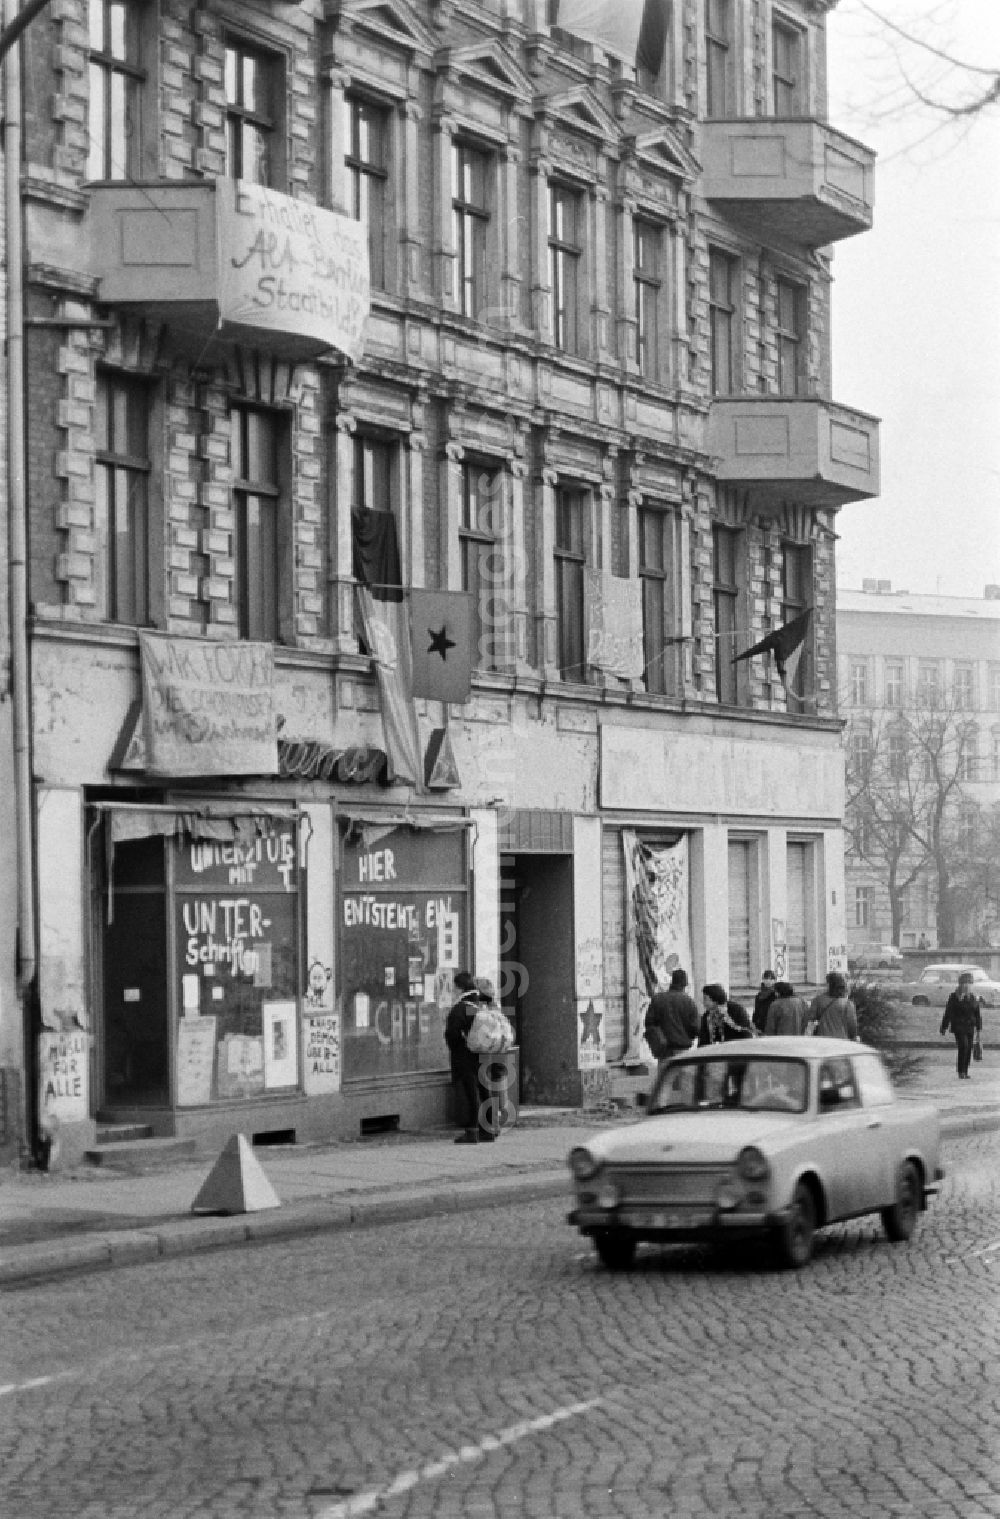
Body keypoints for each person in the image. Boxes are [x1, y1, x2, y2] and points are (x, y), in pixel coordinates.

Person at [444, 970, 495, 1143]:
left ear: (459, 989)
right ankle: (489, 1130)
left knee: (470, 1092)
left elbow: (451, 1034)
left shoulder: (460, 1009)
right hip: (481, 1054)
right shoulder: (479, 1005)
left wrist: (456, 1047)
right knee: (484, 1090)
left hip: (464, 1056)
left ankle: (472, 1131)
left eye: (453, 987)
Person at [644, 968, 700, 1070]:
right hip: (682, 1049)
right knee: (682, 1082)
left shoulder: (658, 999)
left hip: (663, 1049)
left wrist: (658, 1037)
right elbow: (695, 1028)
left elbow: (649, 1023)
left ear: (672, 981)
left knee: (665, 1082)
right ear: (685, 984)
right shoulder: (689, 1002)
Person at [940, 970, 983, 1080]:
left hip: (970, 1027)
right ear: (960, 984)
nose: (967, 985)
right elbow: (948, 1012)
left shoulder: (973, 997)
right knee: (963, 1046)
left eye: (969, 983)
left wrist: (978, 1030)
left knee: (968, 1048)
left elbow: (977, 1014)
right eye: (964, 983)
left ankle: (965, 1071)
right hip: (958, 1026)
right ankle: (960, 1071)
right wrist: (944, 1026)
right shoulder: (954, 997)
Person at [808, 972, 860, 1041]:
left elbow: (811, 1017)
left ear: (830, 985)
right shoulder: (847, 1004)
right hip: (841, 1040)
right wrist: (853, 1037)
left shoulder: (818, 1000)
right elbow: (852, 1025)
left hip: (822, 1039)